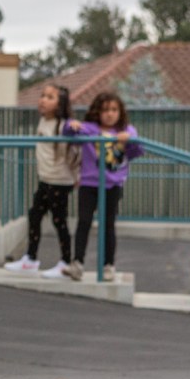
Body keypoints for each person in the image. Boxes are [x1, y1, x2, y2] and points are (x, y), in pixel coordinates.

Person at [61, 91, 142, 281]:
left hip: (112, 185)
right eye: (105, 110)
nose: (110, 114)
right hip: (89, 183)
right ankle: (77, 263)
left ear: (120, 112)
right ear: (97, 112)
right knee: (84, 222)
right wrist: (70, 126)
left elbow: (137, 151)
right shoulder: (90, 129)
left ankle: (108, 265)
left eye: (114, 110)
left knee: (108, 225)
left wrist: (128, 141)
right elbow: (68, 131)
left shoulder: (127, 131)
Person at [5, 82, 79, 279]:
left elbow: (75, 151)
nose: (43, 100)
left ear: (60, 104)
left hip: (59, 180)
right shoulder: (43, 121)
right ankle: (30, 259)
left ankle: (65, 262)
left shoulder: (64, 125)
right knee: (35, 216)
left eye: (49, 97)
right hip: (46, 179)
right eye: (43, 96)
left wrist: (77, 176)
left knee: (58, 220)